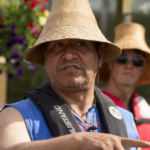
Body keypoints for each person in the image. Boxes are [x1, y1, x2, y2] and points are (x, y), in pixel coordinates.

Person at [0, 1, 148, 150]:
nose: (69, 55)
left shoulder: (125, 120)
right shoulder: (16, 116)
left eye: (80, 44)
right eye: (58, 45)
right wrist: (77, 141)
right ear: (45, 56)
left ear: (100, 54)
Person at [100, 22, 150, 150]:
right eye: (122, 58)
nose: (129, 65)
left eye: (137, 61)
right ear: (110, 63)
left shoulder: (144, 106)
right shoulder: (93, 103)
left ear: (142, 68)